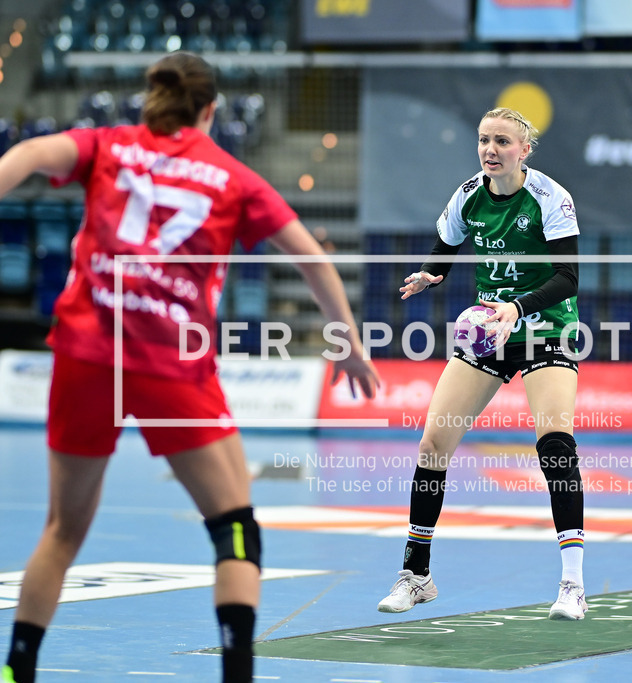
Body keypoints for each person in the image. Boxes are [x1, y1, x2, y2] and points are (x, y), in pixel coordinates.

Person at [0, 52, 380, 683]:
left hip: (87, 353)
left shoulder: (108, 145)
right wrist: (346, 341)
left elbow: (31, 154)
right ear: (210, 110)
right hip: (167, 365)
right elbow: (312, 259)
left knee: (62, 531)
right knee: (235, 530)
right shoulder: (232, 177)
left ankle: (16, 672)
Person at [375, 107, 587, 620]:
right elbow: (445, 246)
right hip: (489, 331)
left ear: (524, 150)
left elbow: (568, 276)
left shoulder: (550, 198)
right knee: (433, 444)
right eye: (484, 140)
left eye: (503, 141)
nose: (491, 150)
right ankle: (417, 575)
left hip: (545, 327)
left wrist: (518, 307)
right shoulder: (469, 195)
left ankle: (573, 585)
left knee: (555, 445)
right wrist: (430, 273)